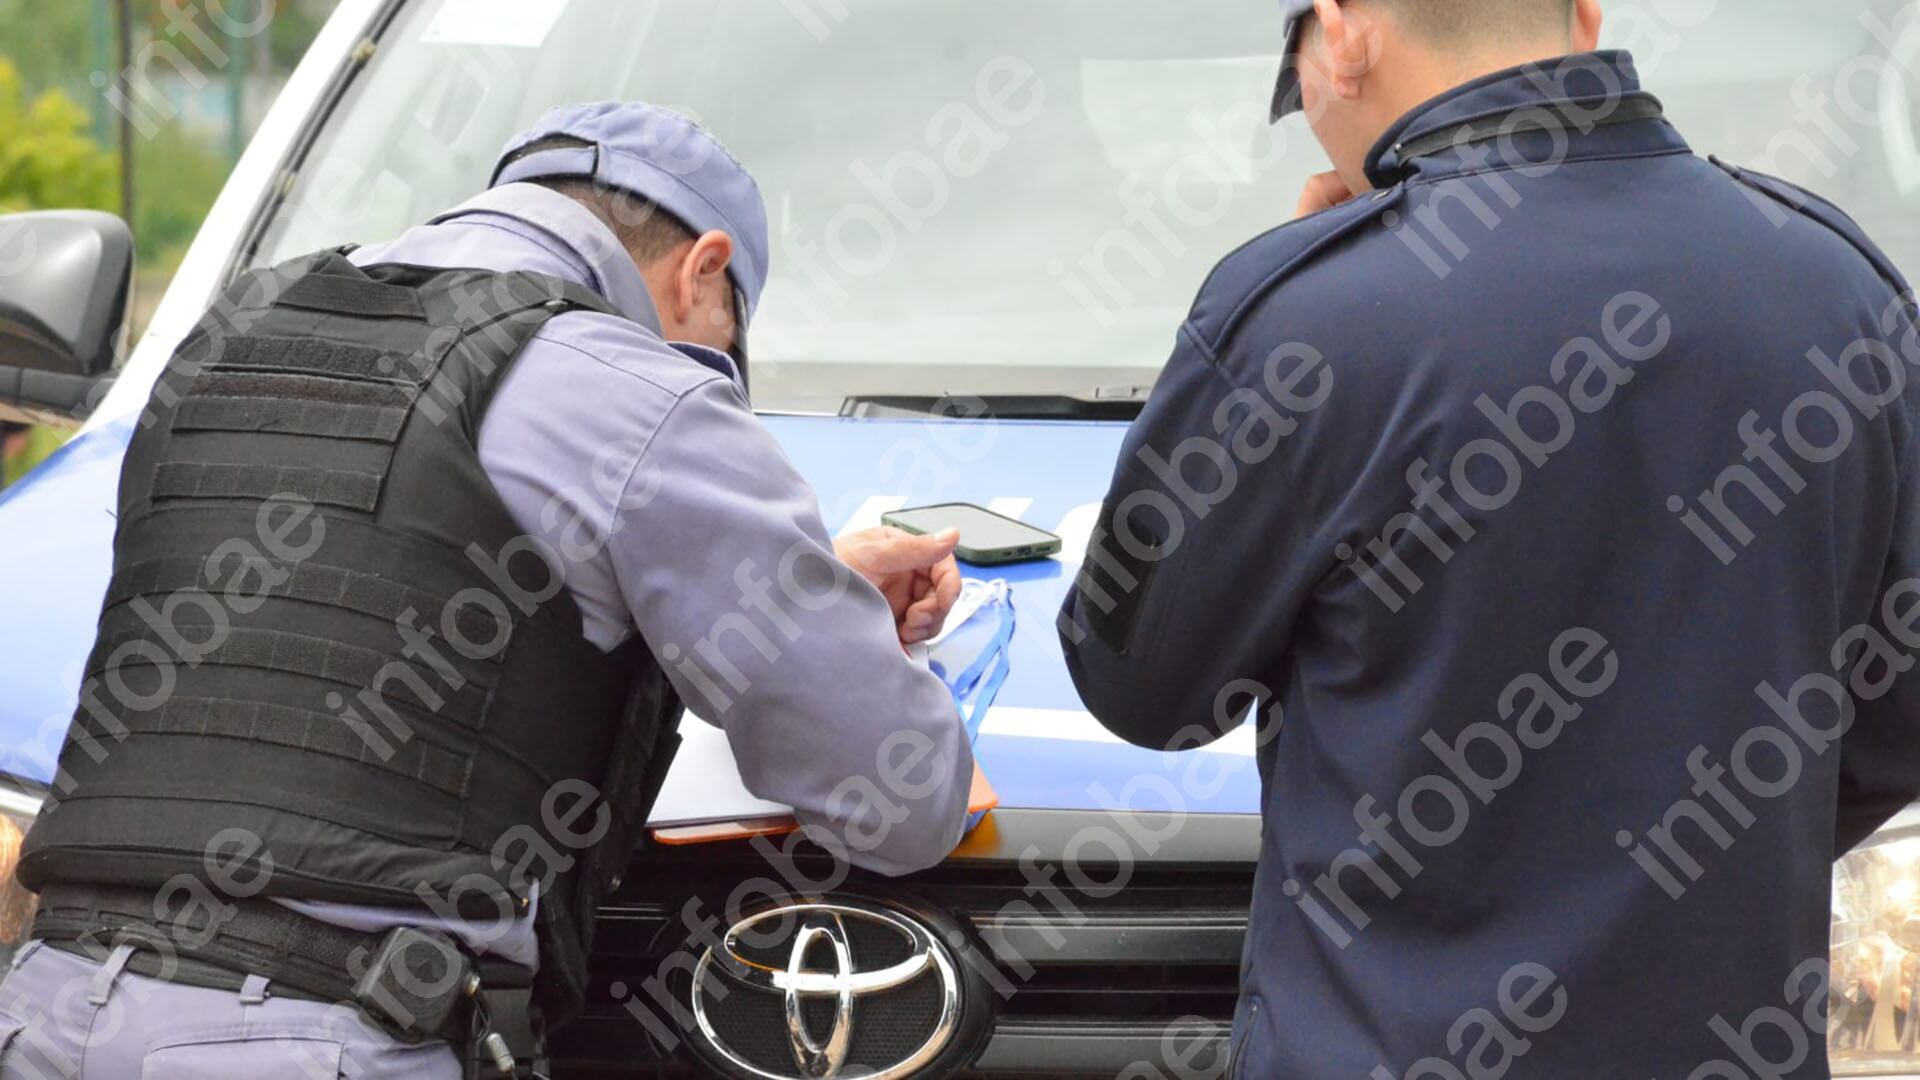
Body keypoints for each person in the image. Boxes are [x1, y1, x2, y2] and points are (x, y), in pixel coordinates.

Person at [1, 102, 975, 1077]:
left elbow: (363, 579)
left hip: (44, 1008)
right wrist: (826, 623)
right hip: (335, 1037)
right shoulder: (644, 393)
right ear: (704, 267)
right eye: (729, 335)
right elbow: (897, 800)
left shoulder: (225, 340)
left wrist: (802, 586)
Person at [1059, 2, 1920, 1076]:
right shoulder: (1841, 289)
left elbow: (1136, 684)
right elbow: (1893, 724)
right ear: (1586, 14)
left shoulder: (1309, 318)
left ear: (1345, 32)